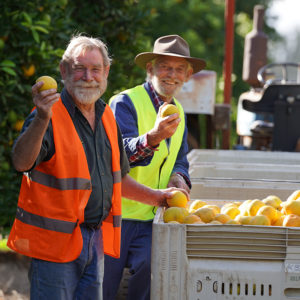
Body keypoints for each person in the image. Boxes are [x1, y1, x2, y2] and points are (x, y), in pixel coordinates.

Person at [7, 34, 187, 300]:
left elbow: (119, 179)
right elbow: (21, 162)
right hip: (55, 246)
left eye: (95, 69)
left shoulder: (105, 117)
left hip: (93, 242)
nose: (88, 76)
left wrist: (158, 197)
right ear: (64, 71)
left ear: (106, 72)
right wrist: (42, 117)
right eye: (79, 68)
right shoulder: (49, 115)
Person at [103, 34, 206, 300]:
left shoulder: (179, 112)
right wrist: (153, 137)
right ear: (150, 69)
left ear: (188, 74)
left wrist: (179, 177)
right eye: (165, 67)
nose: (172, 75)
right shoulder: (125, 103)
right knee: (102, 288)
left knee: (150, 281)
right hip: (115, 215)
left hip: (153, 217)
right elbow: (118, 155)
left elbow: (180, 158)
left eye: (179, 69)